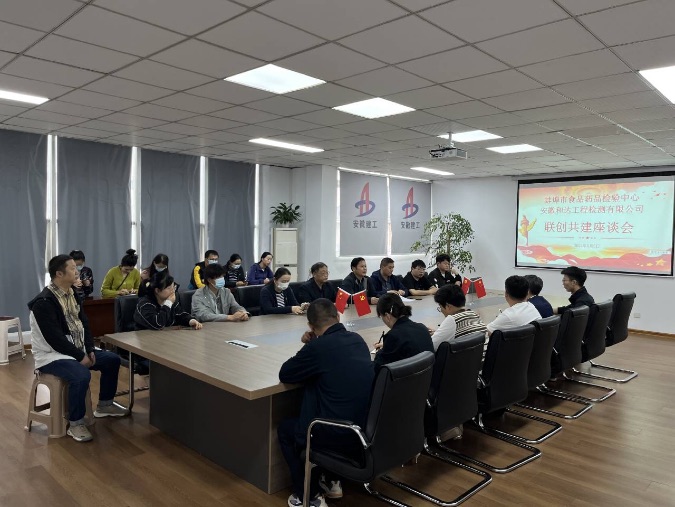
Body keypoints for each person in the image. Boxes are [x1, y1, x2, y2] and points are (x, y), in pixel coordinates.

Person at [278, 299, 374, 507]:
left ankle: (307, 494)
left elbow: (286, 373)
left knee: (286, 429)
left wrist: (310, 344)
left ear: (310, 326)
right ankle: (331, 479)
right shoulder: (357, 340)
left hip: (334, 433)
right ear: (338, 317)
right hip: (362, 429)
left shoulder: (318, 347)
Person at [27, 254, 128, 442]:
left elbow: (84, 324)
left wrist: (89, 348)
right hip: (51, 355)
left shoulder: (72, 293)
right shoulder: (44, 302)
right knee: (81, 375)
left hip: (77, 348)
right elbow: (54, 339)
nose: (77, 272)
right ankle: (75, 423)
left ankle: (105, 405)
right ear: (59, 274)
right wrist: (80, 356)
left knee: (112, 360)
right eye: (73, 268)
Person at [372, 293, 434, 372]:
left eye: (381, 316)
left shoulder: (393, 336)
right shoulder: (422, 328)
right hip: (428, 377)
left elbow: (378, 368)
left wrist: (379, 352)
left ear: (387, 316)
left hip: (408, 378)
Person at [134, 271, 203, 331]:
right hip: (145, 336)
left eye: (173, 287)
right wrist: (168, 303)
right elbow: (158, 324)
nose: (173, 291)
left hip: (166, 335)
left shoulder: (170, 300)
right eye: (169, 288)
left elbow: (180, 314)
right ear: (157, 290)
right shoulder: (145, 303)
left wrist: (190, 320)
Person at [433, 284, 488, 351]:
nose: (441, 311)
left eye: (440, 307)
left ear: (448, 306)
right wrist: (439, 333)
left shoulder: (452, 319)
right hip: (482, 356)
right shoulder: (474, 314)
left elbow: (432, 345)